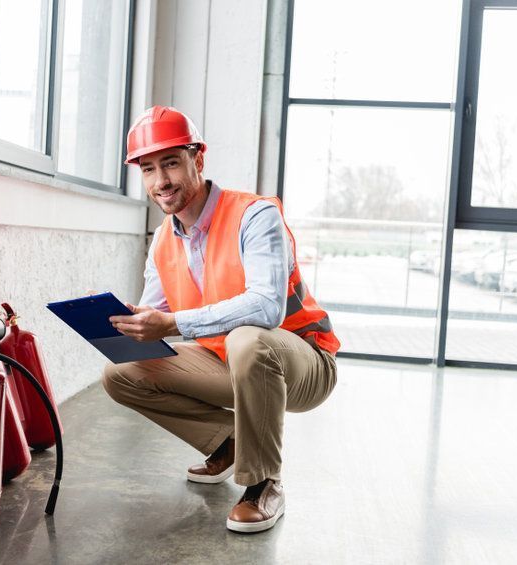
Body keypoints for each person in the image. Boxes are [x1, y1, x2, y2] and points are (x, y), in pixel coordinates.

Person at [102, 105, 339, 533]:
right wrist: (129, 324)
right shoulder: (163, 238)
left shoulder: (255, 215)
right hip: (226, 361)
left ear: (198, 159)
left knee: (249, 338)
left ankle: (264, 482)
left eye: (171, 163)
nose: (162, 181)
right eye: (149, 169)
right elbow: (157, 314)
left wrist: (171, 325)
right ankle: (228, 443)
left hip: (302, 363)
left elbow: (267, 307)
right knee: (120, 372)